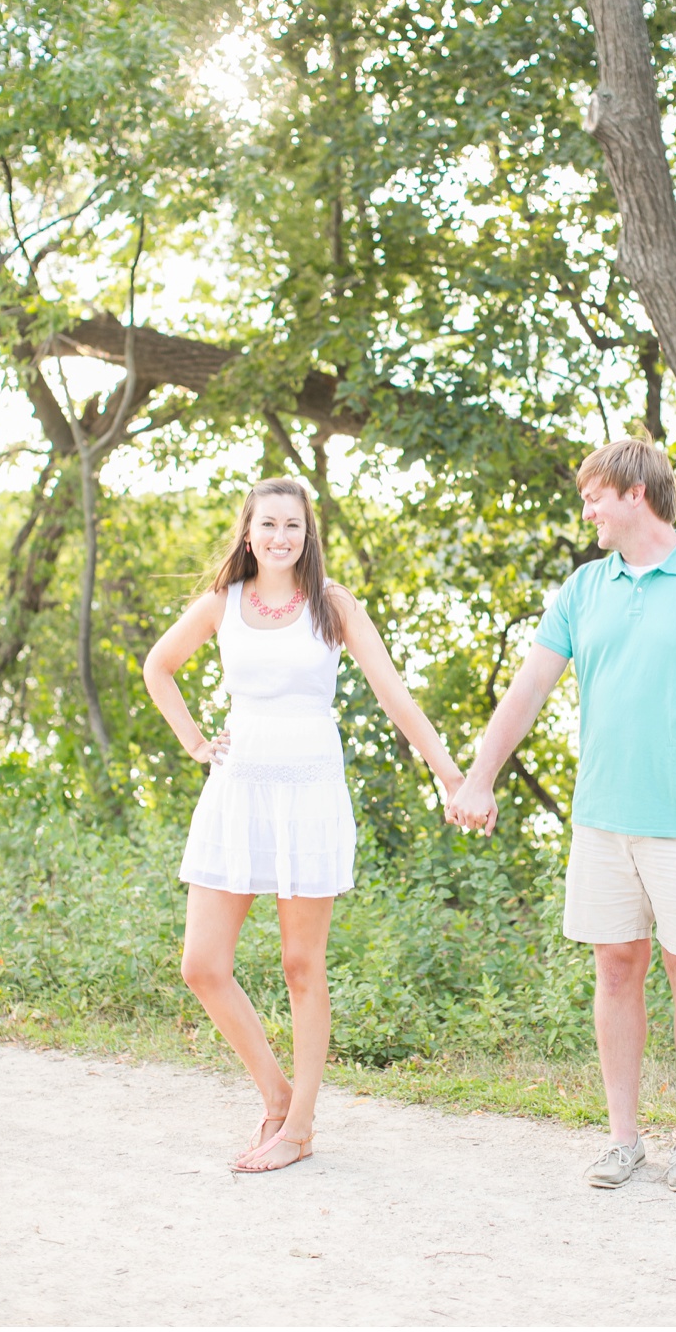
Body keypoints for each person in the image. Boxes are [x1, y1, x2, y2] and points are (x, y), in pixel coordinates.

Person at [448, 438, 676, 1194]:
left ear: (635, 493)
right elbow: (528, 688)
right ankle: (623, 1139)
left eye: (594, 494)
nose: (586, 508)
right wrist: (480, 777)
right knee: (616, 971)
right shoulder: (583, 588)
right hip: (602, 821)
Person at [144, 477, 465, 1173]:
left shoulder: (332, 606)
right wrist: (198, 742)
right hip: (239, 794)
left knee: (300, 964)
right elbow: (158, 667)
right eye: (269, 524)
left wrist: (450, 773)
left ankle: (299, 1125)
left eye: (293, 525)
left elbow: (395, 697)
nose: (281, 536)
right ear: (249, 531)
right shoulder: (223, 603)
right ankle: (277, 1094)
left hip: (311, 793)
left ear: (307, 533)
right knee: (201, 964)